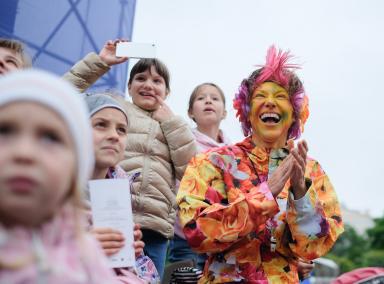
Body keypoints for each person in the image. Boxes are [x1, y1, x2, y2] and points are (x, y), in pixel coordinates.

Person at [177, 46, 344, 283]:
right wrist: (267, 194)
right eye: (260, 96)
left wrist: (300, 194)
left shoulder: (310, 170)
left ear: (295, 112)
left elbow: (313, 248)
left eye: (280, 97)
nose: (270, 103)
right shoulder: (213, 162)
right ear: (247, 110)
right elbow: (197, 232)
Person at [63, 39, 197, 278]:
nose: (148, 85)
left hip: (153, 228)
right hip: (104, 217)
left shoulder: (173, 124)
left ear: (167, 92)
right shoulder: (114, 109)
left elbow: (193, 172)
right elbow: (61, 95)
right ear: (129, 85)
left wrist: (172, 123)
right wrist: (101, 62)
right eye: (141, 78)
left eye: (157, 81)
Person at [0, 69, 117, 283]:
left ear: (77, 163)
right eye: (5, 131)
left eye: (50, 137)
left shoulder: (86, 254)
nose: (24, 152)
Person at [83, 93, 160, 283]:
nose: (113, 136)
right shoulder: (47, 186)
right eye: (101, 124)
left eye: (121, 130)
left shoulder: (119, 190)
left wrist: (127, 254)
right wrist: (80, 248)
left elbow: (138, 268)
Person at [168, 82, 230, 270]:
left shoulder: (234, 152)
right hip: (186, 238)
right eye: (201, 98)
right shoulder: (183, 140)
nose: (208, 100)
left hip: (223, 240)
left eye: (214, 98)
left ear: (224, 113)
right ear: (190, 113)